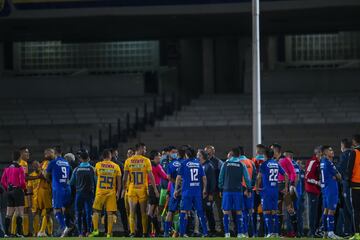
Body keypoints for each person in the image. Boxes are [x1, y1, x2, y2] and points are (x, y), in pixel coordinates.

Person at [122, 143, 159, 237]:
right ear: (141, 149)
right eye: (144, 149)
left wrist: (124, 188)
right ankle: (144, 233)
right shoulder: (146, 160)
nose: (145, 151)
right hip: (142, 189)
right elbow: (151, 176)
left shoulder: (128, 161)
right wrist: (155, 189)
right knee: (143, 213)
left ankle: (132, 233)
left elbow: (124, 178)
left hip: (132, 189)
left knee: (132, 213)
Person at [175, 146, 208, 237]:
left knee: (183, 211)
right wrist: (204, 189)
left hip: (187, 192)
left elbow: (178, 178)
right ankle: (205, 232)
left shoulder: (184, 163)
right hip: (197, 192)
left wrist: (176, 190)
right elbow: (204, 178)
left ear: (186, 154)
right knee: (200, 212)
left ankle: (182, 233)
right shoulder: (198, 163)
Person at [218, 147, 252, 238]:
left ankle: (227, 233)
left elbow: (220, 178)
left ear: (231, 154)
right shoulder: (241, 165)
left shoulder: (225, 164)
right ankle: (240, 233)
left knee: (226, 211)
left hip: (227, 191)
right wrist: (249, 189)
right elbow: (247, 178)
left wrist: (221, 188)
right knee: (239, 211)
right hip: (238, 191)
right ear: (239, 155)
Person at [255, 147, 288, 238]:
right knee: (274, 211)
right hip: (275, 190)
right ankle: (276, 233)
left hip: (267, 191)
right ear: (272, 155)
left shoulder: (264, 164)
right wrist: (286, 187)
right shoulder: (276, 164)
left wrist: (257, 187)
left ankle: (270, 233)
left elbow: (258, 177)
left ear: (265, 155)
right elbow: (286, 175)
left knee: (266, 211)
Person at [89, 149, 121, 238]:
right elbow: (119, 182)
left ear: (103, 157)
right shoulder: (116, 166)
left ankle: (95, 230)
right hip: (111, 192)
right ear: (110, 156)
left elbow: (95, 174)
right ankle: (109, 233)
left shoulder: (98, 165)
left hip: (100, 192)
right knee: (110, 213)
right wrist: (118, 192)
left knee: (96, 211)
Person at [270, 143, 297, 236]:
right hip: (276, 187)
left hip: (284, 187)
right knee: (278, 210)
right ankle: (279, 233)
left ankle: (296, 232)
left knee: (290, 209)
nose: (270, 151)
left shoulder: (286, 160)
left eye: (271, 149)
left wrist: (292, 184)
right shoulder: (272, 161)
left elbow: (293, 173)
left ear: (276, 150)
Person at [45, 146, 72, 237]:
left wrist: (47, 176)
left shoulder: (53, 162)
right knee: (64, 209)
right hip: (67, 188)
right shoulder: (66, 162)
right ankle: (67, 228)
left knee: (56, 209)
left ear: (55, 152)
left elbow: (46, 175)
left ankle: (64, 226)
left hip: (58, 188)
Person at [70, 149, 96, 237]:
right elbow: (96, 182)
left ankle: (80, 233)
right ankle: (88, 231)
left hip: (79, 194)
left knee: (79, 213)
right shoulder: (92, 169)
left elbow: (71, 183)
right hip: (89, 194)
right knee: (89, 213)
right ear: (88, 158)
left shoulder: (76, 169)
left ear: (80, 159)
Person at [1, 151, 26, 237]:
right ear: (19, 158)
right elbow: (22, 182)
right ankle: (19, 233)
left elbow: (2, 181)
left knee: (8, 214)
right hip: (18, 191)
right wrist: (23, 188)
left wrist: (7, 188)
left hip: (9, 191)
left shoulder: (7, 168)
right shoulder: (20, 168)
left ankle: (6, 233)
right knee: (20, 213)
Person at [320, 145, 342, 239]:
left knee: (326, 210)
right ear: (325, 153)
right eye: (330, 150)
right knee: (332, 211)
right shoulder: (329, 163)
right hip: (331, 188)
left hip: (325, 188)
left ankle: (325, 232)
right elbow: (339, 176)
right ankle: (331, 232)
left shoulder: (322, 162)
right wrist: (336, 177)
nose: (332, 151)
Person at [148, 150, 168, 237]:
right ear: (155, 157)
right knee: (152, 210)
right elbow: (165, 176)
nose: (160, 157)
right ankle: (148, 231)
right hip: (155, 187)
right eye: (159, 156)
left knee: (154, 210)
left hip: (149, 187)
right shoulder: (157, 166)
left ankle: (157, 231)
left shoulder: (148, 165)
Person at [238, 146, 257, 237]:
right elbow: (254, 177)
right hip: (250, 191)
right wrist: (250, 189)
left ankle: (244, 232)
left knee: (242, 212)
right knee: (250, 212)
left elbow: (239, 178)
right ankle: (252, 233)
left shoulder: (238, 162)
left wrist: (245, 189)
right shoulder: (251, 162)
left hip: (241, 191)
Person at [337, 138, 354, 237]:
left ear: (342, 146)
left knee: (349, 209)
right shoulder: (354, 153)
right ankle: (349, 231)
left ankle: (351, 232)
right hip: (354, 184)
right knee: (349, 209)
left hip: (347, 185)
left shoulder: (344, 155)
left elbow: (340, 169)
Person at [204, 145, 223, 232]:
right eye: (206, 151)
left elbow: (221, 177)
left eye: (209, 151)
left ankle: (222, 229)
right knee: (208, 210)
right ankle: (210, 229)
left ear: (213, 152)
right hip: (206, 191)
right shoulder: (204, 162)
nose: (208, 152)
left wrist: (220, 189)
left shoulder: (218, 162)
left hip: (216, 190)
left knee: (220, 210)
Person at [163, 146, 181, 237]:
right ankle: (179, 232)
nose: (175, 153)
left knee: (171, 211)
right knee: (182, 211)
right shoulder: (181, 162)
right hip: (181, 190)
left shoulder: (170, 164)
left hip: (175, 191)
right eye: (173, 152)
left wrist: (176, 184)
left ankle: (167, 232)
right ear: (169, 153)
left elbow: (169, 178)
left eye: (176, 152)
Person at [37, 148, 54, 237]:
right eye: (51, 153)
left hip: (42, 189)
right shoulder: (48, 163)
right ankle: (42, 231)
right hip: (46, 189)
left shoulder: (43, 163)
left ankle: (49, 233)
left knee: (46, 212)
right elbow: (45, 175)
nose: (53, 154)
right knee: (48, 211)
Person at [305, 146, 322, 237]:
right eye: (321, 153)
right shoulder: (313, 162)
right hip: (312, 190)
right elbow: (307, 177)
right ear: (317, 153)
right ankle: (311, 231)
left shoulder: (318, 162)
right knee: (313, 211)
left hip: (317, 190)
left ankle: (315, 230)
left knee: (317, 211)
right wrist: (317, 182)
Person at [198, 150, 216, 236]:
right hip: (201, 194)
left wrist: (211, 194)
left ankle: (212, 230)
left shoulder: (209, 166)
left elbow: (212, 181)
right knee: (202, 212)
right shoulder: (201, 166)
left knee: (209, 212)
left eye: (198, 155)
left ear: (202, 156)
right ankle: (203, 230)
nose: (197, 157)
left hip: (207, 194)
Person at [252, 144, 266, 237]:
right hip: (264, 189)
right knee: (264, 212)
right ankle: (263, 232)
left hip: (255, 188)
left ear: (258, 150)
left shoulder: (253, 160)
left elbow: (253, 175)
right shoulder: (266, 161)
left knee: (254, 211)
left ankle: (254, 233)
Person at [348, 134, 360, 240]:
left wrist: (347, 183)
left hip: (356, 185)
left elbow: (349, 168)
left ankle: (357, 234)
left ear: (355, 142)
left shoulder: (354, 152)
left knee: (356, 210)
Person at [27, 161, 41, 236]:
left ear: (40, 166)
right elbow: (29, 190)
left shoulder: (44, 174)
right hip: (35, 199)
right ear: (32, 167)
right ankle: (36, 233)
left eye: (37, 165)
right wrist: (29, 202)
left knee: (46, 214)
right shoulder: (31, 176)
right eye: (34, 166)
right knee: (35, 215)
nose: (36, 167)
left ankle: (48, 232)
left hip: (44, 198)